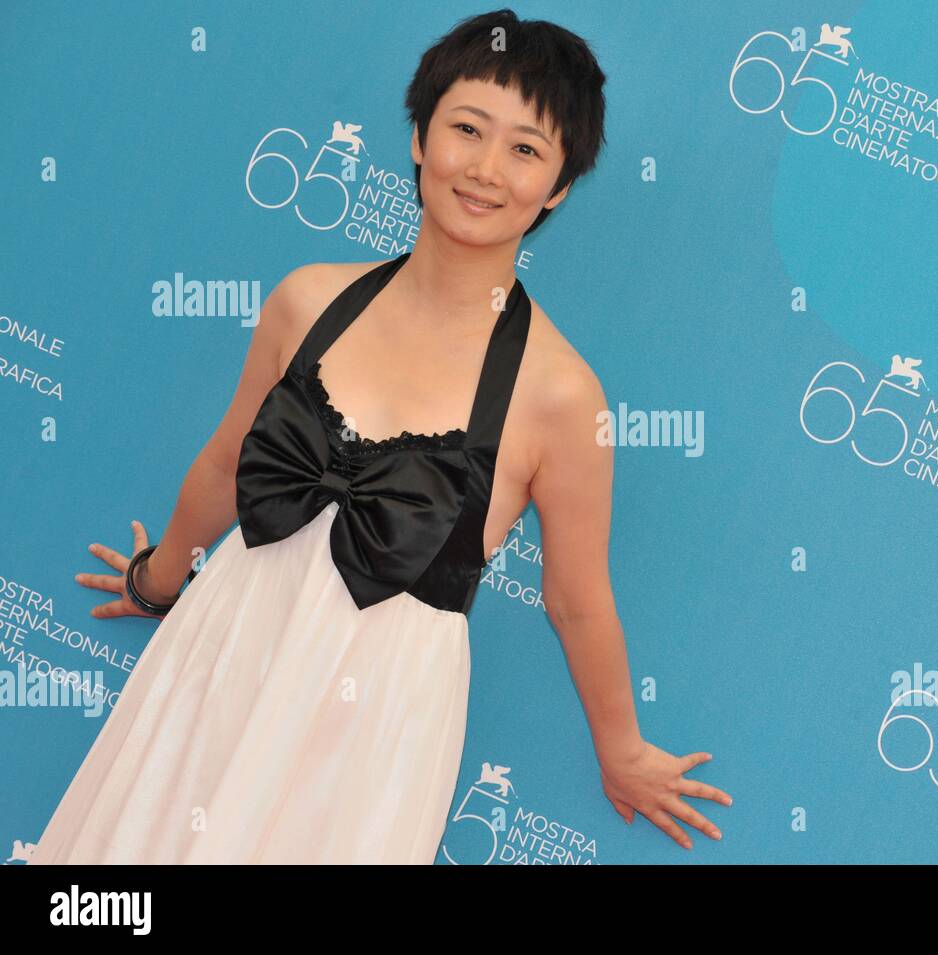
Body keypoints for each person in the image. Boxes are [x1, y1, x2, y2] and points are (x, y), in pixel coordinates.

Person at [29, 8, 730, 864]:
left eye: (525, 149)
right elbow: (225, 461)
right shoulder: (307, 298)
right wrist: (159, 577)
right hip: (225, 652)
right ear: (419, 138)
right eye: (466, 129)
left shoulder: (559, 393)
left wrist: (621, 750)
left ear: (557, 188)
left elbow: (576, 597)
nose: (484, 168)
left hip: (372, 718)